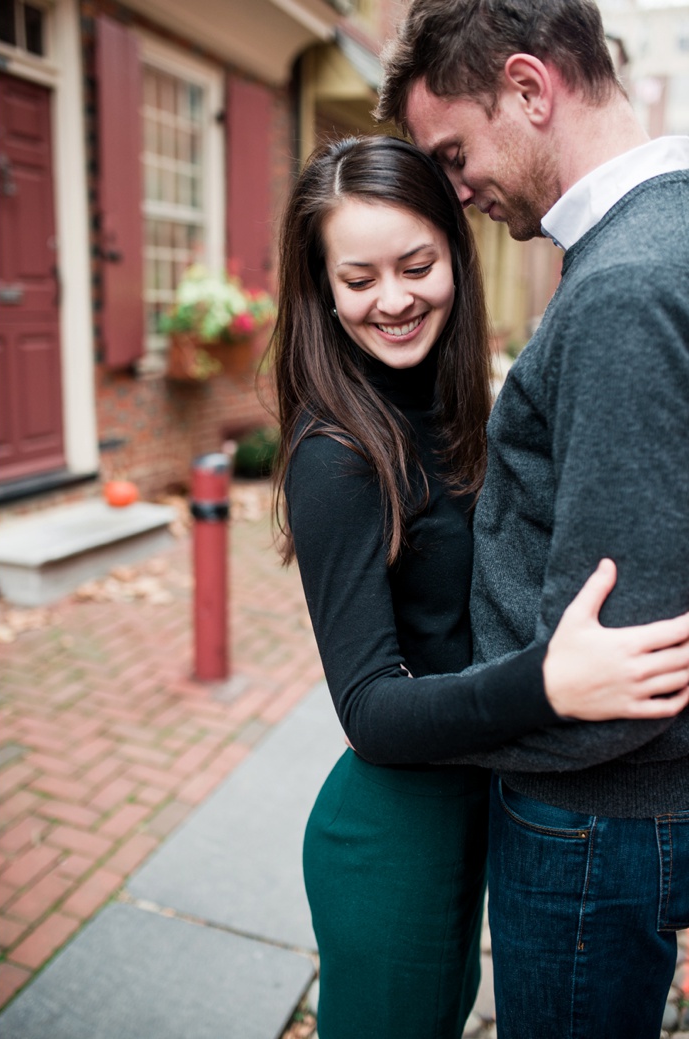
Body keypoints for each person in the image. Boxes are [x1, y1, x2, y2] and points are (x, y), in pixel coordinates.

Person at [271, 135, 689, 1039]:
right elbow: (371, 710)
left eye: (417, 264)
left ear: (456, 255)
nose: (393, 300)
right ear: (322, 289)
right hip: (395, 837)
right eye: (358, 278)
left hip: (476, 812)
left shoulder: (458, 401)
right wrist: (548, 681)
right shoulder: (335, 453)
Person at [377, 1, 689, 1033]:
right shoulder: (652, 236)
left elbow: (616, 641)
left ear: (526, 87)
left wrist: (501, 757)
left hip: (585, 820)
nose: (454, 189)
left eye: (454, 152)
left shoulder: (620, 285)